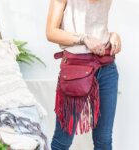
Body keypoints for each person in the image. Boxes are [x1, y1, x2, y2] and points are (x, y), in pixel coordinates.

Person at [46, 0, 121, 150]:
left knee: (104, 140)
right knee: (62, 141)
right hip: (76, 70)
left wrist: (114, 35)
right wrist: (83, 38)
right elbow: (51, 32)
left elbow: (96, 24)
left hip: (106, 68)